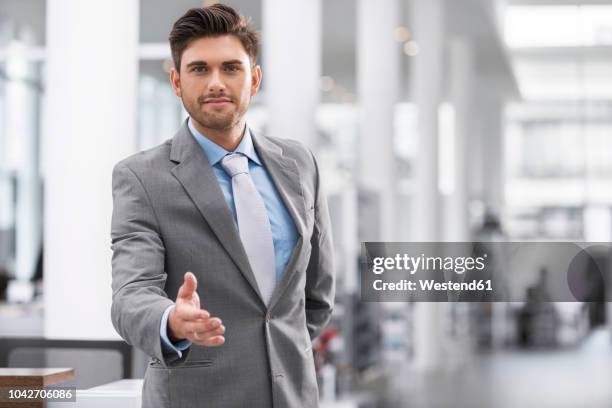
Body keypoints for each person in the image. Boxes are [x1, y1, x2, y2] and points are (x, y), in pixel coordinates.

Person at [110, 4, 335, 407]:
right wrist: (172, 321)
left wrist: (278, 350)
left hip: (291, 396)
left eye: (231, 68)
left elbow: (316, 294)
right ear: (177, 83)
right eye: (199, 69)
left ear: (255, 79)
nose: (216, 82)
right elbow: (131, 295)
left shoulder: (299, 164)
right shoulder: (142, 177)